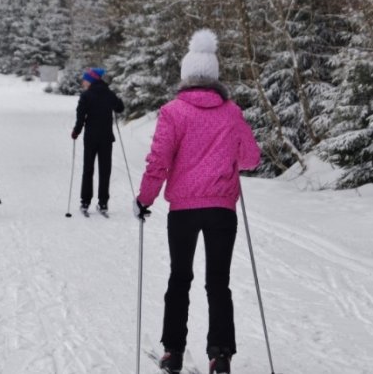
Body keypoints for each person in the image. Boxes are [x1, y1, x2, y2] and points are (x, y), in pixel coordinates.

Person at [133, 30, 261, 374]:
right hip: (221, 209)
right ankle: (220, 355)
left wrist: (144, 199)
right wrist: (229, 157)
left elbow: (158, 160)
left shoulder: (173, 111)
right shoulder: (231, 112)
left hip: (184, 212)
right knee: (218, 281)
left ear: (186, 76)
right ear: (215, 77)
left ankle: (173, 352)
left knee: (180, 278)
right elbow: (251, 158)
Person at [71, 67, 125, 215]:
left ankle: (85, 202)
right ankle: (103, 204)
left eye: (85, 79)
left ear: (91, 80)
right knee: (105, 171)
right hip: (106, 138)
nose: (83, 82)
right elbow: (120, 108)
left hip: (91, 139)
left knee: (88, 169)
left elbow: (80, 117)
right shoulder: (109, 94)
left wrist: (76, 132)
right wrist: (116, 99)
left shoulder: (86, 96)